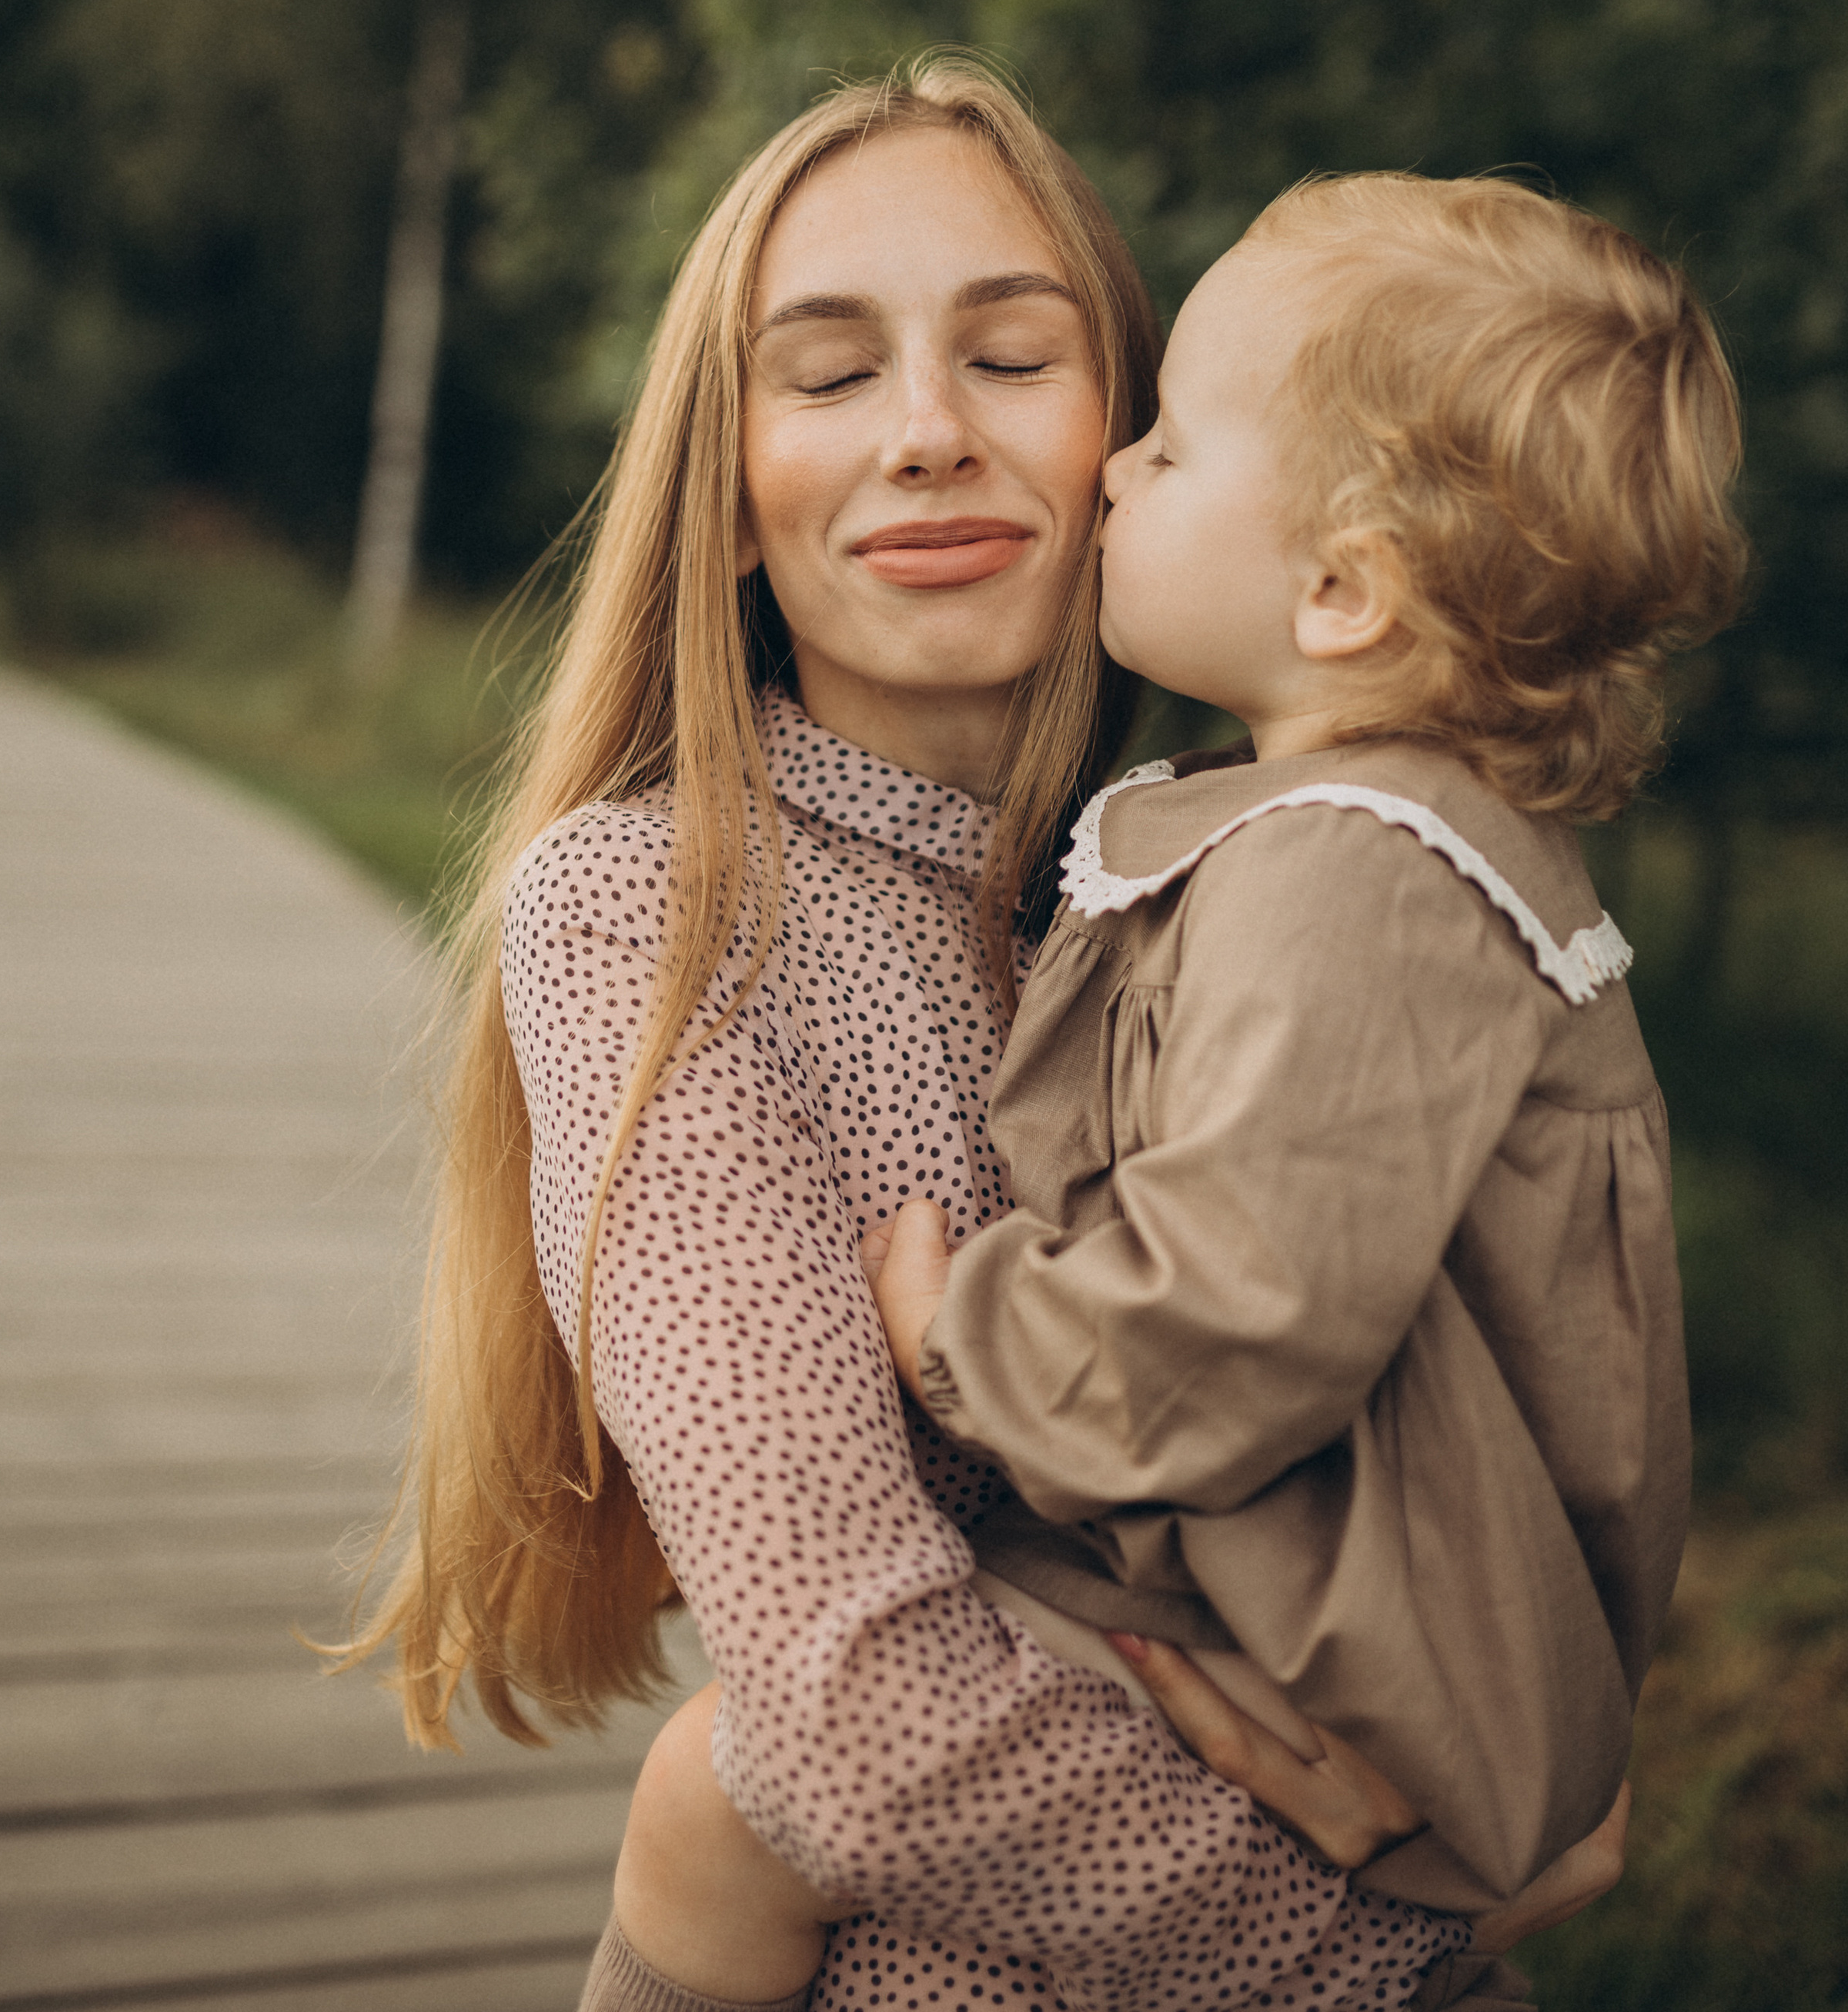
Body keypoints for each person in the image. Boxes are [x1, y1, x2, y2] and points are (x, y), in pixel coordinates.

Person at [349, 75, 1571, 2012]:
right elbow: (854, 1724)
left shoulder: (1293, 885)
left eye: (1010, 357)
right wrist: (1419, 1927)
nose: (927, 435)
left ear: (1143, 445)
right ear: (727, 492)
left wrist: (1544, 1754)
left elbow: (1515, 1468)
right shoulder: (655, 916)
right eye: (826, 377)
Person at [622, 167, 1734, 2004]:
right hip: (1339, 1614)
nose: (1120, 474)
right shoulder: (1357, 852)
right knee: (711, 1806)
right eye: (826, 377)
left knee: (720, 1806)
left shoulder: (1351, 875)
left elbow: (1241, 1298)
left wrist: (956, 1342)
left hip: (1335, 1636)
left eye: (1163, 440)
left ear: (1340, 590)